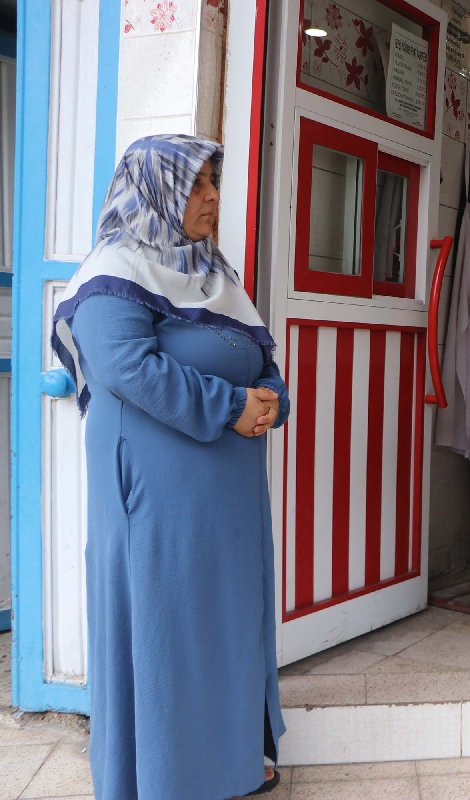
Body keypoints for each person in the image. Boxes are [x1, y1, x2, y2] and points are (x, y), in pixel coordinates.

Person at [50, 135, 288, 799]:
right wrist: (231, 407)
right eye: (196, 184)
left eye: (214, 182)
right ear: (155, 192)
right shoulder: (115, 272)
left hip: (224, 498)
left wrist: (271, 398)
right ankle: (163, 776)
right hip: (157, 496)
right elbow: (127, 366)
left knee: (223, 623)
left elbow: (258, 356)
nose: (212, 198)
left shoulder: (211, 272)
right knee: (167, 624)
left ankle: (229, 762)